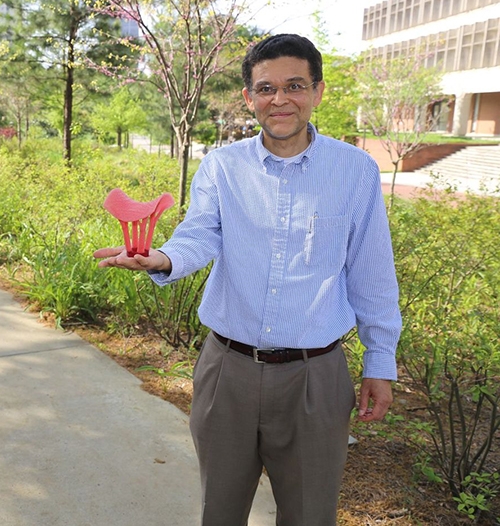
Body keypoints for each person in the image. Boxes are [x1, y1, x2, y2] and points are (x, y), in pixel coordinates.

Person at [94, 33, 401, 525]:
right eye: (265, 88)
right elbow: (200, 234)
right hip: (227, 373)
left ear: (318, 92)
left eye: (295, 85)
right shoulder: (222, 167)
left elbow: (372, 274)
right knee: (220, 510)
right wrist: (165, 258)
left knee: (309, 516)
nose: (279, 99)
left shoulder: (355, 171)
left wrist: (380, 362)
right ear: (249, 97)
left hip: (314, 378)